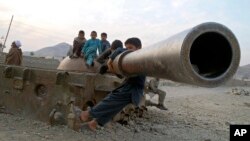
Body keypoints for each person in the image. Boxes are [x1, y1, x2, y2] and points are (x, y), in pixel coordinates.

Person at [79, 37, 145, 131]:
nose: (127, 50)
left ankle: (87, 114)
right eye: (126, 47)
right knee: (114, 107)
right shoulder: (134, 61)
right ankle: (94, 123)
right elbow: (122, 75)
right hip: (129, 86)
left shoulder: (140, 57)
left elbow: (120, 50)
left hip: (133, 89)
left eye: (130, 48)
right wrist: (109, 67)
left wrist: (113, 57)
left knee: (110, 101)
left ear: (139, 48)